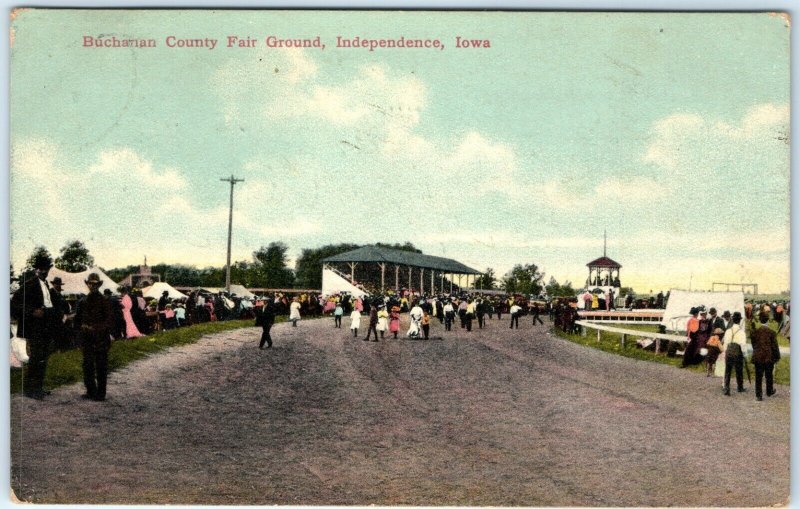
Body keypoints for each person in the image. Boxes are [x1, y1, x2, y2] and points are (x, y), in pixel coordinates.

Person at [10, 252, 58, 399]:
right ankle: (31, 390)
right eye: (42, 268)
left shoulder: (46, 285)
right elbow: (14, 304)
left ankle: (38, 387)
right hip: (36, 327)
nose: (45, 271)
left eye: (47, 268)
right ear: (36, 269)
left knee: (43, 357)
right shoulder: (29, 284)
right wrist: (31, 311)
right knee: (36, 358)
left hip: (46, 326)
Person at [73, 273, 113, 401]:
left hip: (101, 338)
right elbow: (77, 320)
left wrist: (95, 328)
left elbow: (109, 321)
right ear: (88, 284)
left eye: (95, 284)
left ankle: (101, 394)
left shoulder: (104, 301)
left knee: (101, 366)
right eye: (90, 283)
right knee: (88, 365)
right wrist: (80, 329)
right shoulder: (82, 301)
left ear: (99, 285)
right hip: (87, 339)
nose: (93, 286)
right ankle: (90, 390)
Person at [750, 312, 780, 400]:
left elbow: (753, 345)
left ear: (759, 320)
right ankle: (769, 390)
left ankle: (758, 395)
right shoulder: (772, 332)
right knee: (769, 374)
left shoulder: (755, 332)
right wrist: (777, 357)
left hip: (758, 356)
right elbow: (775, 346)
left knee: (758, 376)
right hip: (768, 356)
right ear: (768, 321)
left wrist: (757, 351)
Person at [722, 312, 747, 396]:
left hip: (729, 352)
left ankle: (726, 388)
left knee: (727, 371)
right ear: (739, 321)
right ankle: (740, 387)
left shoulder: (728, 331)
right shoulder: (741, 332)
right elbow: (743, 345)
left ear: (732, 320)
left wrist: (725, 352)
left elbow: (725, 343)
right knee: (739, 370)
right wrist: (745, 354)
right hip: (737, 352)